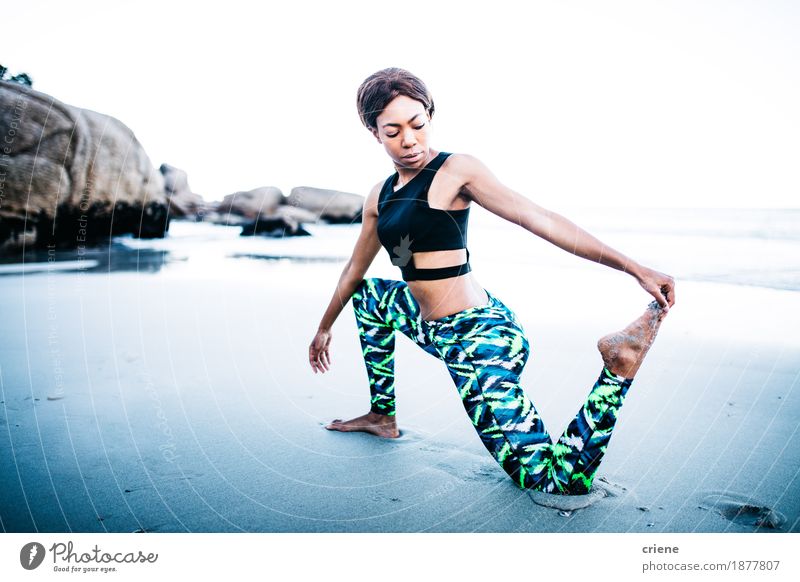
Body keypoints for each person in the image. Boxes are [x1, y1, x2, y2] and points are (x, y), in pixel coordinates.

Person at [308, 67, 675, 495]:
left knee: (550, 481)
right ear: (375, 133)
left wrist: (635, 267)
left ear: (429, 116)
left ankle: (619, 366)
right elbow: (355, 271)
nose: (409, 140)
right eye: (393, 131)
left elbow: (541, 219)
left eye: (418, 125)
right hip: (432, 327)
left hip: (478, 337)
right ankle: (382, 416)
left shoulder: (456, 170)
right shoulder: (380, 195)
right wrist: (324, 326)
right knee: (370, 297)